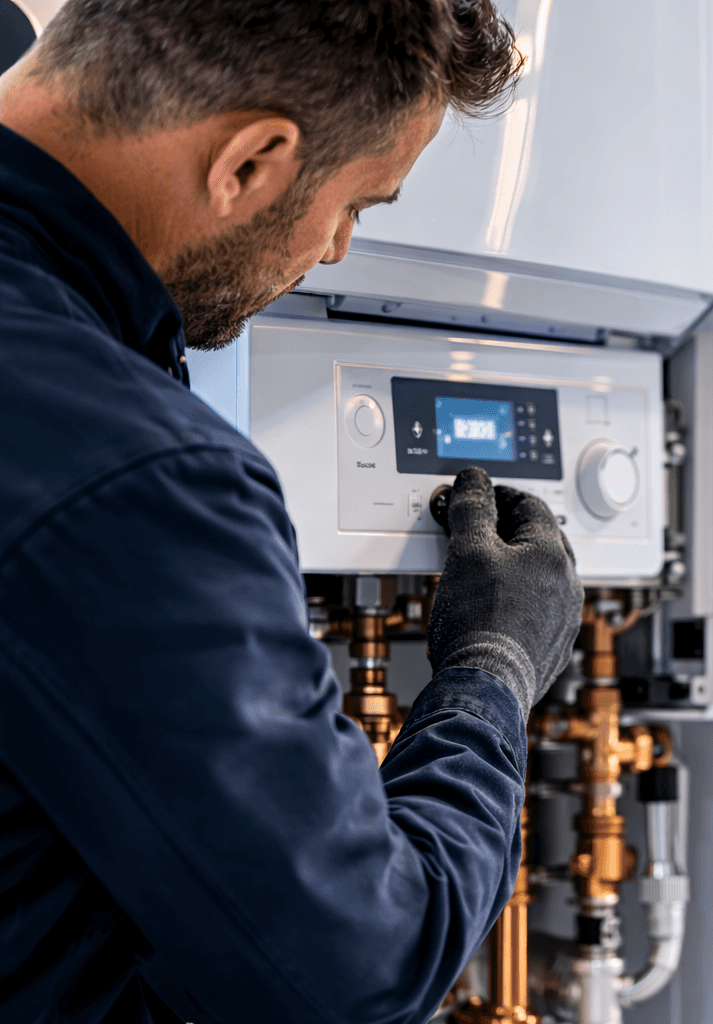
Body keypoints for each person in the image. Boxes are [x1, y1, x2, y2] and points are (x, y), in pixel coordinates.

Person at [0, 2, 585, 1022]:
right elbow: (360, 968)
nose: (338, 249)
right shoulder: (137, 473)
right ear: (250, 163)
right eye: (356, 203)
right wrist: (492, 673)